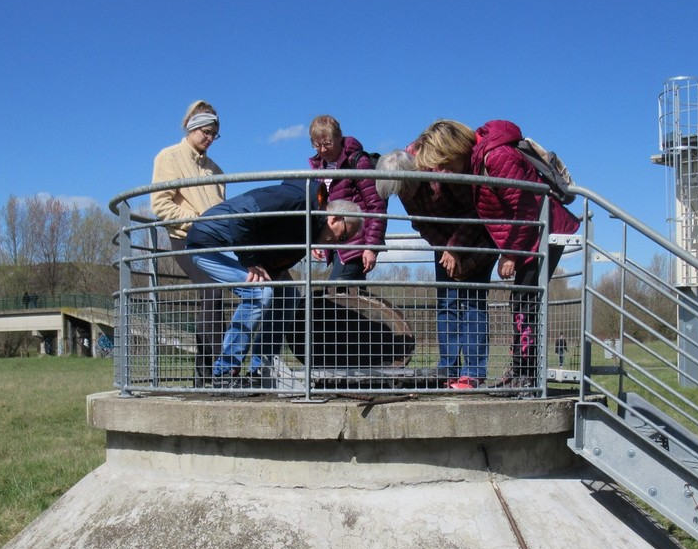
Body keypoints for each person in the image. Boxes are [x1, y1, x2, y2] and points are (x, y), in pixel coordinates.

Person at [411, 119, 580, 390]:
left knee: (526, 302)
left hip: (543, 233)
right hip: (528, 236)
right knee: (522, 302)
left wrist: (509, 254)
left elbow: (524, 209)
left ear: (454, 150)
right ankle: (520, 371)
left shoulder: (496, 157)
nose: (442, 172)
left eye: (443, 163)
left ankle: (527, 375)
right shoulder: (480, 159)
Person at [184, 182, 361, 385]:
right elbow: (240, 215)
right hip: (210, 241)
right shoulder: (297, 200)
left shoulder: (308, 229)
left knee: (288, 295)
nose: (339, 243)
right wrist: (250, 261)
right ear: (335, 218)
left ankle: (261, 370)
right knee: (259, 293)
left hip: (237, 247)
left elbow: (276, 260)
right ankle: (224, 372)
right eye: (343, 235)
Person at [377, 146, 496, 389]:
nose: (403, 196)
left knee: (472, 302)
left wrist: (455, 248)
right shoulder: (406, 193)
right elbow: (421, 225)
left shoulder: (439, 175)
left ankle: (473, 373)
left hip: (476, 240)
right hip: (445, 247)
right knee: (446, 304)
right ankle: (448, 369)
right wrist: (444, 251)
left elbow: (475, 211)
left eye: (403, 189)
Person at [151, 100, 227, 387]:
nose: (209, 139)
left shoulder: (216, 171)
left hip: (216, 243)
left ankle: (216, 369)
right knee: (211, 289)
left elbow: (222, 208)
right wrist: (196, 221)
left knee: (228, 295)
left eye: (214, 134)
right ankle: (212, 372)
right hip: (186, 239)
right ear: (192, 128)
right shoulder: (169, 157)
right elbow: (161, 204)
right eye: (205, 132)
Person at [307, 115, 387, 286]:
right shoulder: (319, 168)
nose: (322, 150)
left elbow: (376, 205)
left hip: (356, 244)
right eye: (316, 144)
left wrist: (371, 247)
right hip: (336, 245)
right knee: (347, 303)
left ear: (339, 137)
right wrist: (316, 240)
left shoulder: (357, 161)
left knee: (336, 298)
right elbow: (321, 210)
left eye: (327, 143)